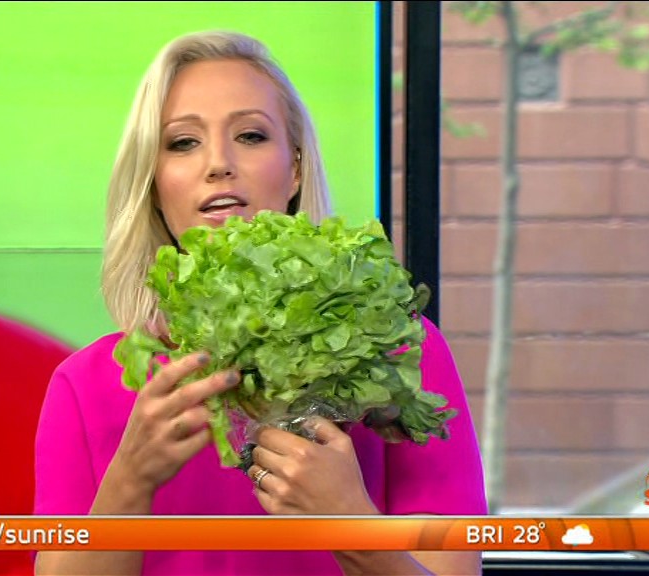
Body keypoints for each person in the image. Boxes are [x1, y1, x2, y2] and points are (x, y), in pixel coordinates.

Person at [33, 30, 487, 576]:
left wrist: (354, 530)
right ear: (153, 185)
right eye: (183, 142)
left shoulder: (399, 351)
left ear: (294, 169)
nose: (219, 163)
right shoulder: (83, 387)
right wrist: (129, 483)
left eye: (250, 135)